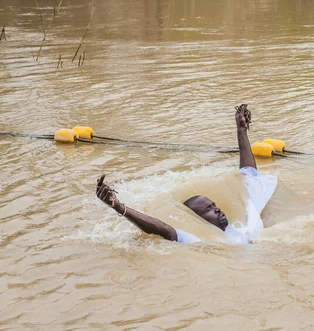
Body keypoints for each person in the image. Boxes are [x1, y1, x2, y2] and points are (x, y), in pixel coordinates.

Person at [95, 104, 277, 244]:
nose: (217, 210)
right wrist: (119, 208)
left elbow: (249, 174)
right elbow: (164, 229)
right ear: (198, 220)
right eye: (208, 210)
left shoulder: (246, 218)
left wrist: (241, 130)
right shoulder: (206, 242)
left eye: (213, 205)